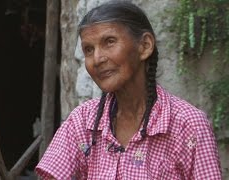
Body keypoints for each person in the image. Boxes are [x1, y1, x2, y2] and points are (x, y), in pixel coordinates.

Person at [35, 1, 222, 179]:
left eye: (109, 42)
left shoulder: (188, 125)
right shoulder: (82, 122)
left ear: (145, 46)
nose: (97, 58)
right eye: (88, 50)